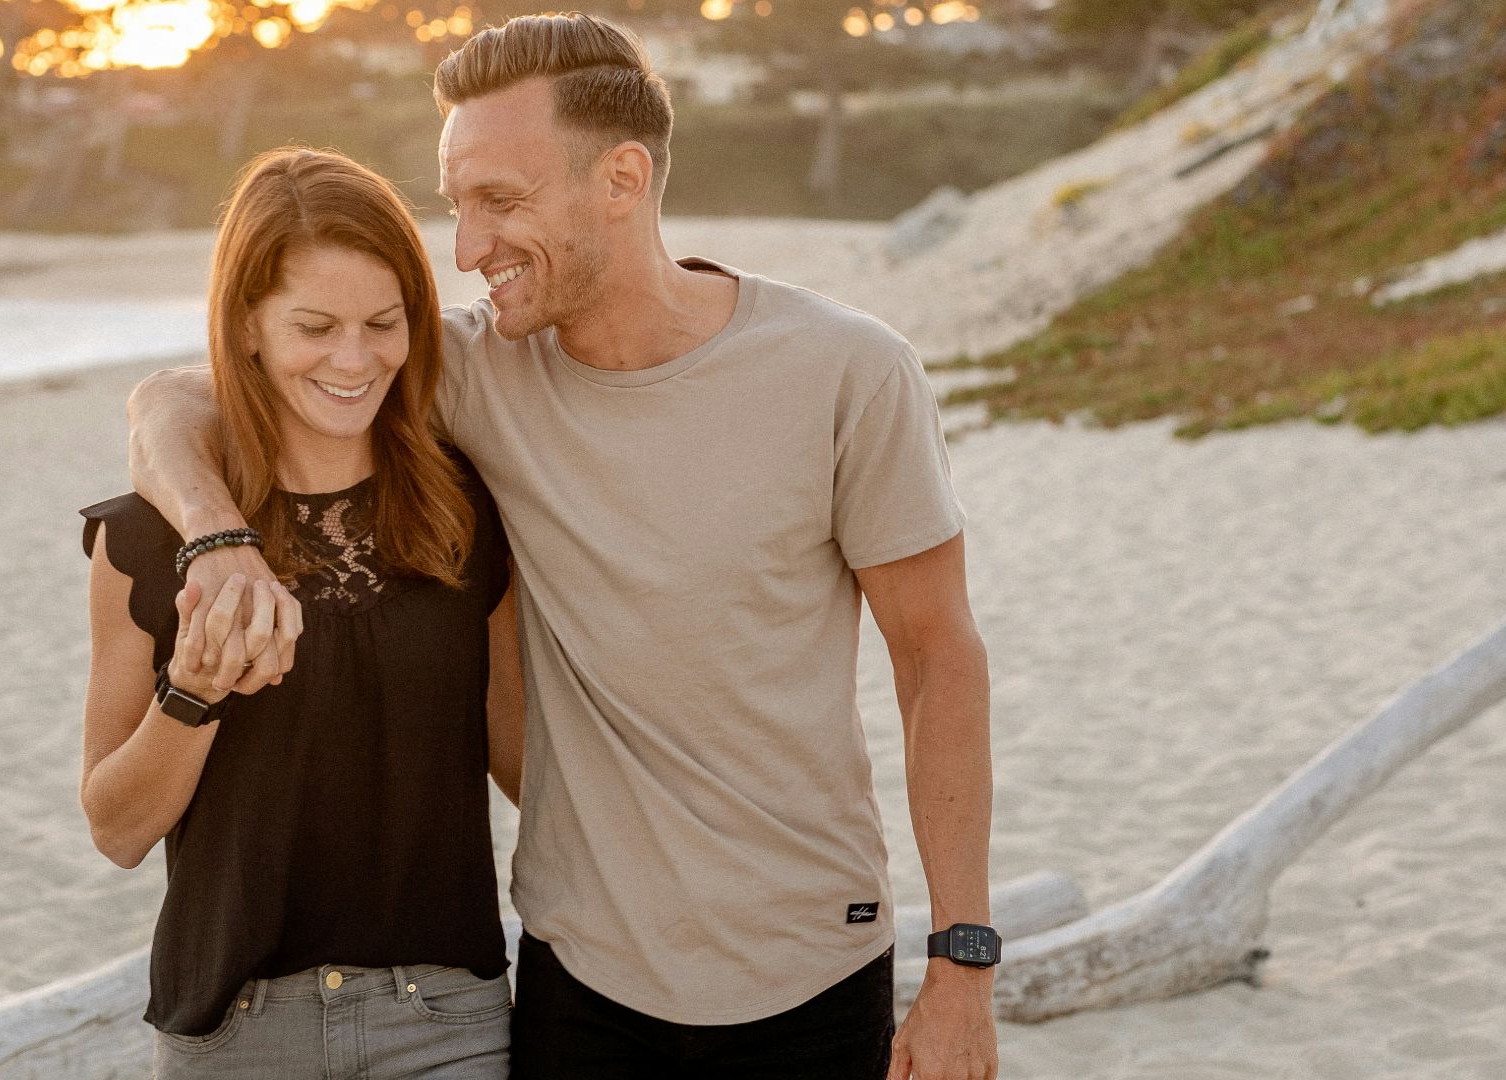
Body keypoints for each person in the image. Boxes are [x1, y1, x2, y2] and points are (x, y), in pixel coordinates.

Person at [126, 14, 1000, 1080]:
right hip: (580, 977)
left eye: (501, 201)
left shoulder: (849, 372)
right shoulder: (468, 373)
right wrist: (218, 542)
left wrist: (962, 961)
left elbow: (938, 661)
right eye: (458, 205)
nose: (468, 247)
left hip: (813, 959)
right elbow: (175, 398)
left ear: (622, 180)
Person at [76, 147, 525, 1080]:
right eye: (314, 326)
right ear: (246, 326)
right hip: (232, 1031)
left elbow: (530, 766)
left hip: (444, 1020)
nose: (354, 360)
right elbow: (116, 831)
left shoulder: (468, 520)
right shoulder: (144, 545)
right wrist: (192, 692)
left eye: (383, 323)